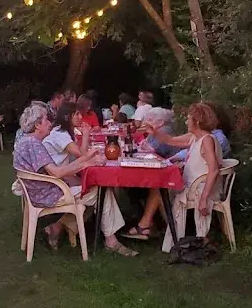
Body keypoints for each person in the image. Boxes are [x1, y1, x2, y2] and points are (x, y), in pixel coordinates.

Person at [13, 103, 136, 256]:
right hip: (48, 194)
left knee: (95, 191)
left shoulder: (25, 141)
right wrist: (86, 162)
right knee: (101, 191)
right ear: (38, 125)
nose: (50, 123)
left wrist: (86, 160)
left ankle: (57, 227)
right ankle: (111, 241)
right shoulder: (34, 144)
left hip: (41, 190)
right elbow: (57, 173)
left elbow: (56, 169)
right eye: (46, 120)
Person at [127, 102, 223, 249]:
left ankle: (168, 230)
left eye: (189, 118)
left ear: (196, 122)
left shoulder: (207, 140)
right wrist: (155, 132)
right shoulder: (194, 136)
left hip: (201, 189)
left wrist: (204, 198)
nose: (186, 121)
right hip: (191, 184)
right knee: (159, 187)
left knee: (160, 188)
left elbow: (214, 169)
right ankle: (170, 230)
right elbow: (171, 141)